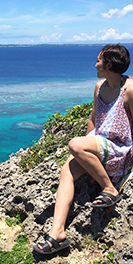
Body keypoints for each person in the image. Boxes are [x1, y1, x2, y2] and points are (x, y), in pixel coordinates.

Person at [33, 44, 133, 255]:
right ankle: (57, 233)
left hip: (120, 149)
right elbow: (94, 118)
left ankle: (109, 188)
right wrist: (87, 156)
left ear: (110, 64)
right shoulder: (100, 87)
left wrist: (84, 148)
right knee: (67, 171)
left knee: (75, 144)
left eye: (99, 60)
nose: (95, 64)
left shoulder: (130, 90)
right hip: (100, 145)